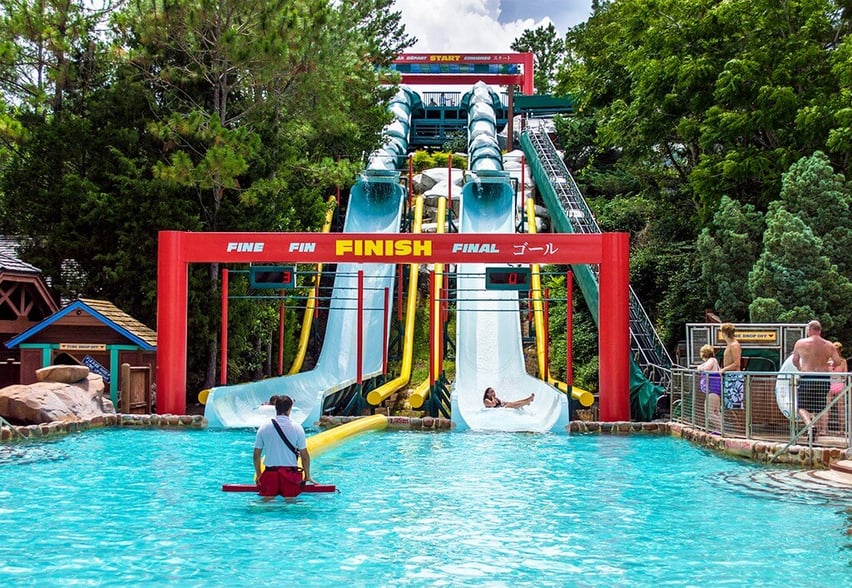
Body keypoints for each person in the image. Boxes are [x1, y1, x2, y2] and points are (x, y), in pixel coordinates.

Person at [253, 395, 315, 500]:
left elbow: (256, 455)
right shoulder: (297, 428)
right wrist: (307, 476)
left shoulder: (264, 427)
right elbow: (304, 456)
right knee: (291, 504)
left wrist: (259, 474)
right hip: (290, 475)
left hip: (270, 474)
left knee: (265, 503)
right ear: (290, 409)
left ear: (275, 408)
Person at [792, 320, 844, 436]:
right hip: (823, 378)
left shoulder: (800, 343)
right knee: (820, 406)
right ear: (820, 330)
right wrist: (832, 366)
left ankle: (810, 426)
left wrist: (800, 368)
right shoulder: (829, 345)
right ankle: (820, 430)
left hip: (807, 376)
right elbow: (838, 361)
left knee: (801, 407)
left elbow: (794, 360)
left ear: (809, 330)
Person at [696, 344, 721, 431]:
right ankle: (720, 430)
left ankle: (721, 430)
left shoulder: (712, 360)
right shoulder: (712, 361)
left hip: (713, 391)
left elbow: (706, 368)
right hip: (714, 391)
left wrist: (700, 368)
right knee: (716, 411)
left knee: (709, 412)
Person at [719, 323, 744, 409]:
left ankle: (740, 423)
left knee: (734, 406)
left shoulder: (734, 345)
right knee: (727, 405)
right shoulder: (729, 345)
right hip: (729, 377)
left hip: (734, 378)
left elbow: (737, 364)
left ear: (725, 333)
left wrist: (724, 369)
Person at [825, 341, 848, 434]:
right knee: (841, 408)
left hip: (830, 383)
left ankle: (824, 429)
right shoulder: (843, 361)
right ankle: (841, 430)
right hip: (839, 383)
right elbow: (845, 375)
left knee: (827, 407)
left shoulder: (827, 361)